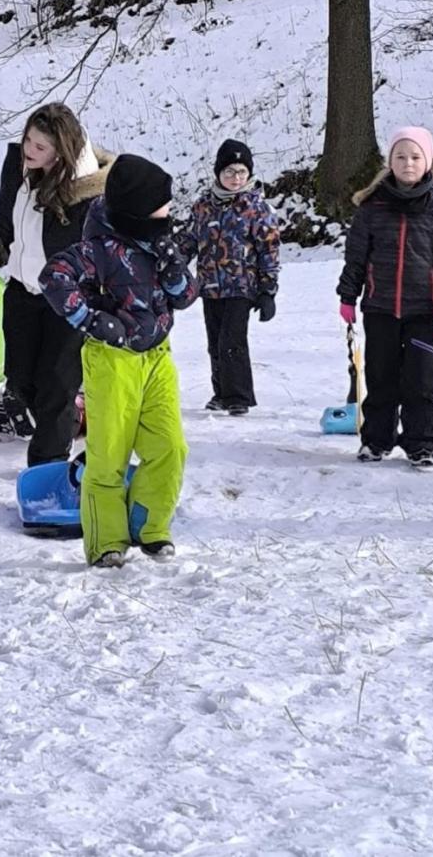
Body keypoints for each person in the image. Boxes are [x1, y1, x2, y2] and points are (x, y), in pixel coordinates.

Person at [40, 153, 199, 567]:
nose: (169, 210)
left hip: (157, 358)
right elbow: (53, 277)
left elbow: (185, 295)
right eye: (162, 203)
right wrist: (92, 320)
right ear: (138, 207)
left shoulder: (160, 240)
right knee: (108, 456)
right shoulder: (100, 248)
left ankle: (149, 526)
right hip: (113, 361)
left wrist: (173, 265)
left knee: (170, 447)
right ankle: (107, 541)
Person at [337, 127, 433, 469]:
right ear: (389, 161)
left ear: (428, 162)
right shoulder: (372, 207)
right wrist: (348, 296)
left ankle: (421, 443)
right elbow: (356, 256)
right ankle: (376, 440)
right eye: (400, 156)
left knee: (422, 380)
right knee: (380, 377)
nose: (407, 163)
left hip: (425, 312)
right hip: (380, 308)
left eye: (414, 157)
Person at [0, 103, 112, 463]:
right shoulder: (20, 169)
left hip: (65, 299)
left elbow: (98, 251)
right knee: (19, 380)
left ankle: (48, 465)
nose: (29, 149)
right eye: (28, 139)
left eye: (40, 146)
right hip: (21, 290)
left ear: (61, 150)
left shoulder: (86, 193)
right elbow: (8, 224)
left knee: (56, 386)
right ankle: (65, 419)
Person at [179, 139, 279, 416]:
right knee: (215, 342)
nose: (235, 178)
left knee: (231, 341)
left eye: (241, 172)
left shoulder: (257, 208)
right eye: (229, 172)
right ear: (218, 174)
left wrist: (268, 290)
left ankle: (239, 396)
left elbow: (268, 249)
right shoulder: (203, 206)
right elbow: (189, 239)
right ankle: (221, 393)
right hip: (210, 285)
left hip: (241, 286)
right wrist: (173, 262)